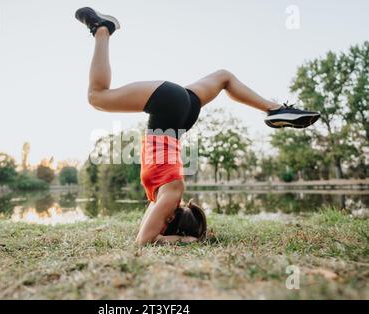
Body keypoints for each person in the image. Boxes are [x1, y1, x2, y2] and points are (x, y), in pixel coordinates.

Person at [75, 7, 320, 246]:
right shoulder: (169, 195)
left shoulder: (163, 196)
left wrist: (191, 234)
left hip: (183, 114)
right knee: (97, 97)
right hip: (169, 107)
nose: (154, 222)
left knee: (224, 77)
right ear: (169, 218)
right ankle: (102, 30)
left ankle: (274, 109)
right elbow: (144, 241)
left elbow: (147, 231)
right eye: (162, 223)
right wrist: (186, 239)